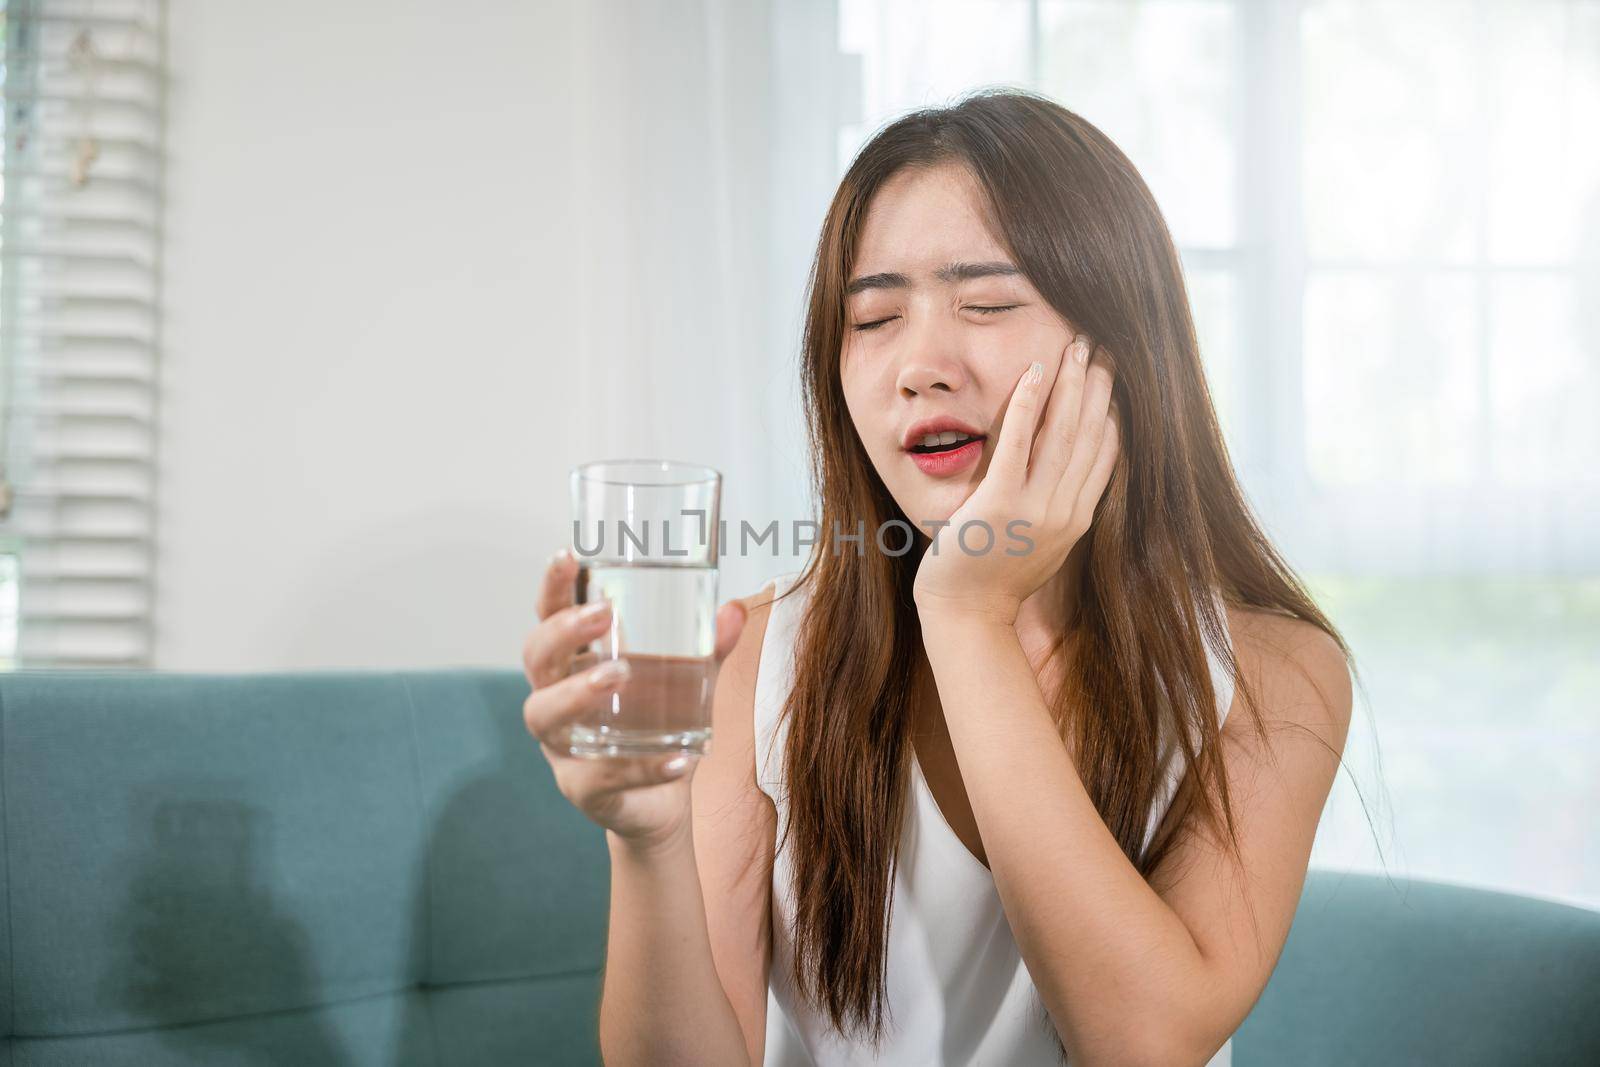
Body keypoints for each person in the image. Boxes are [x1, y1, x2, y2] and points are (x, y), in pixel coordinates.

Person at [519, 88, 1354, 1066]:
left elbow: (1143, 1043)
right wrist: (647, 840)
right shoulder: (751, 659)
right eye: (872, 317)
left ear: (1122, 349)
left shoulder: (1270, 671)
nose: (918, 365)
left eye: (986, 302)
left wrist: (967, 614)